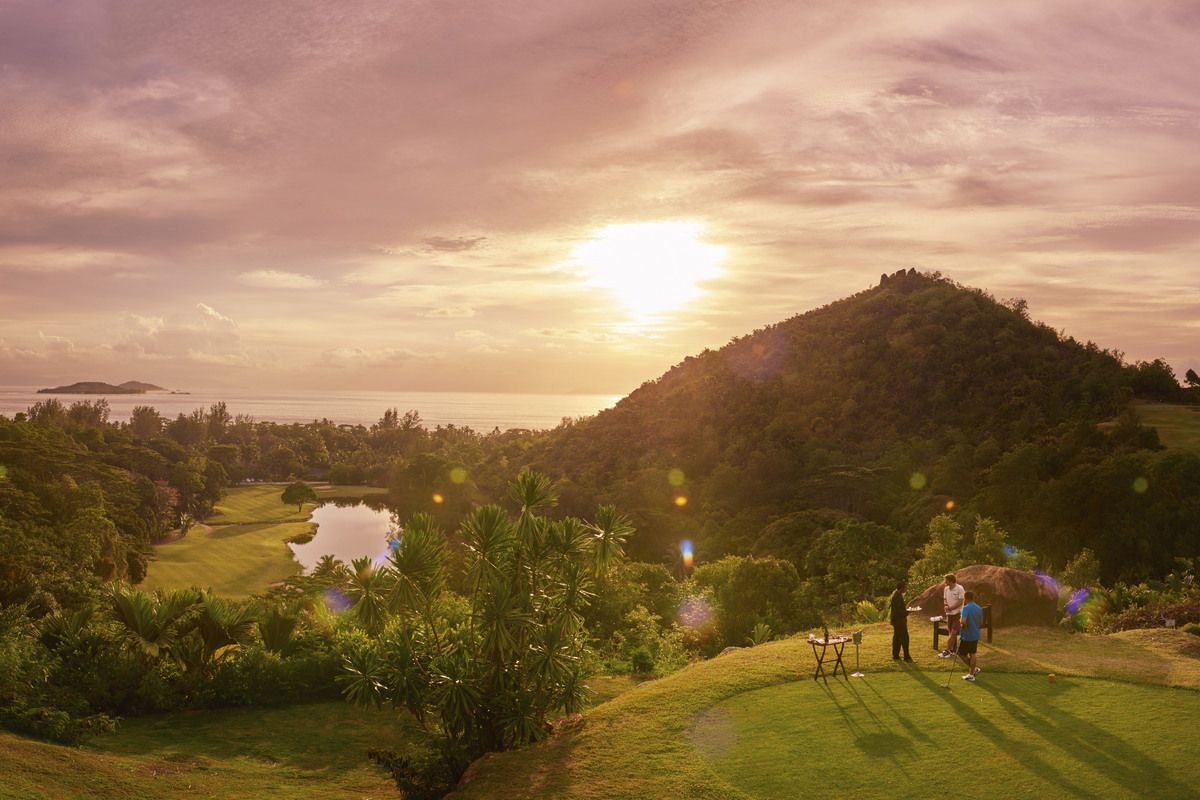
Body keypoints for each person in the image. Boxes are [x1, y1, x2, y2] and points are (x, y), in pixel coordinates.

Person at [957, 590, 984, 681]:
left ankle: (973, 670)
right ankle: (972, 673)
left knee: (960, 653)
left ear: (965, 598)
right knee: (972, 654)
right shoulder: (979, 608)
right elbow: (981, 622)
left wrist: (962, 625)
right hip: (975, 634)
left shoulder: (966, 608)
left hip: (967, 635)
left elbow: (963, 621)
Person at [939, 573, 965, 658]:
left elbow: (961, 601)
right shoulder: (946, 589)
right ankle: (952, 651)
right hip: (949, 614)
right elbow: (945, 600)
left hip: (958, 614)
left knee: (953, 632)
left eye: (946, 580)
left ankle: (947, 651)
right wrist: (946, 606)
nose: (944, 582)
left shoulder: (960, 588)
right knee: (951, 632)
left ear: (951, 581)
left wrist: (951, 608)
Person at [888, 581, 913, 661]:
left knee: (897, 638)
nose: (906, 589)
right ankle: (906, 656)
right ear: (901, 588)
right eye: (905, 587)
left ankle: (896, 655)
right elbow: (898, 610)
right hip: (899, 621)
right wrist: (908, 612)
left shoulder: (896, 594)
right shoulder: (897, 596)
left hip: (896, 621)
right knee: (904, 638)